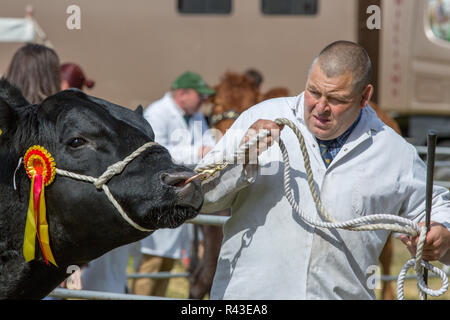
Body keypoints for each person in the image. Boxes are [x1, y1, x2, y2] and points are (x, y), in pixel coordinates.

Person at [196, 40, 450, 299]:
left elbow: (437, 210)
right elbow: (203, 196)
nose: (320, 108)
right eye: (313, 92)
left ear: (365, 97)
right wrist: (243, 156)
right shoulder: (258, 119)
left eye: (337, 99)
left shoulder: (394, 153)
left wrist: (441, 234)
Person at [132, 71, 216, 297]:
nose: (204, 101)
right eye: (201, 96)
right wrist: (197, 153)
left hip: (180, 197)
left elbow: (209, 142)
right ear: (182, 94)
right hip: (159, 195)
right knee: (152, 266)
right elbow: (155, 151)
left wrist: (212, 151)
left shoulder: (196, 116)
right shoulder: (157, 113)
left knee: (167, 266)